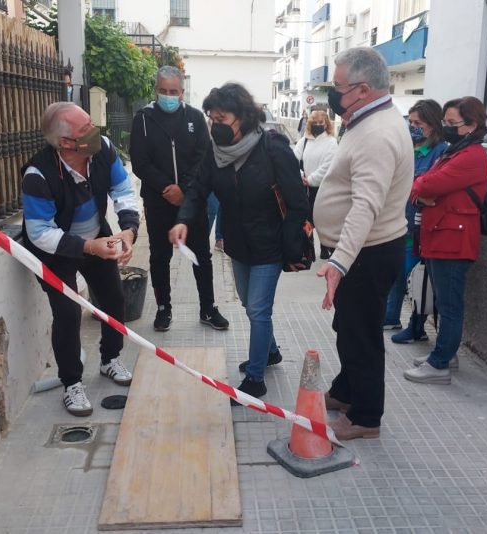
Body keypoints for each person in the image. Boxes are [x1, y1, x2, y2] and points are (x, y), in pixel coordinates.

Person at [169, 83, 308, 402]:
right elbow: (197, 188)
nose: (214, 124)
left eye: (221, 118)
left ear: (243, 117)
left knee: (259, 310)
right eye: (211, 117)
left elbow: (297, 201)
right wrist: (182, 220)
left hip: (269, 244)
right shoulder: (214, 153)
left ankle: (256, 378)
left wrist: (289, 244)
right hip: (237, 242)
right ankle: (269, 352)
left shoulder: (273, 147)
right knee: (249, 304)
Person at [312, 47, 413, 440]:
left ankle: (365, 417)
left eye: (338, 87)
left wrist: (339, 263)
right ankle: (345, 392)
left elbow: (365, 205)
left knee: (362, 334)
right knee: (348, 326)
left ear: (363, 89)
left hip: (367, 253)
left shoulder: (378, 133)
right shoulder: (367, 120)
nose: (333, 95)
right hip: (364, 249)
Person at [21, 102, 140, 417]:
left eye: (91, 123)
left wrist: (128, 231)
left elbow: (123, 190)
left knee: (114, 299)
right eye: (85, 129)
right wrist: (90, 247)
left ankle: (110, 359)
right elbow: (39, 233)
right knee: (68, 312)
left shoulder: (104, 151)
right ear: (65, 143)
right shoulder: (38, 174)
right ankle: (71, 383)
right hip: (56, 251)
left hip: (96, 237)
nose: (94, 132)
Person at [130, 66, 229, 332]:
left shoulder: (196, 118)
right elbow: (140, 161)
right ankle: (164, 308)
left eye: (173, 91)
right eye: (163, 91)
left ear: (182, 92)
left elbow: (203, 157)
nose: (168, 96)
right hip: (157, 199)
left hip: (191, 200)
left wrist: (184, 190)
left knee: (200, 255)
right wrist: (166, 188)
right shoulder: (143, 119)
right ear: (156, 90)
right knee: (159, 256)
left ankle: (208, 308)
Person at [404, 96, 487, 385]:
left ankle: (439, 364)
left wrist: (422, 190)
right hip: (442, 236)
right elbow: (422, 182)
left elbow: (426, 183)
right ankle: (445, 354)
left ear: (472, 125)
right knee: (443, 302)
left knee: (450, 305)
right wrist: (421, 190)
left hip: (452, 241)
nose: (447, 128)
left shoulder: (471, 156)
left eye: (452, 123)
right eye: (446, 123)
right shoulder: (456, 150)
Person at [387, 100, 449, 341]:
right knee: (398, 273)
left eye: (418, 123)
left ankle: (417, 326)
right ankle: (391, 316)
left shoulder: (440, 152)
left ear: (433, 125)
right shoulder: (410, 150)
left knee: (417, 277)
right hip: (401, 222)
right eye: (410, 122)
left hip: (422, 226)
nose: (412, 127)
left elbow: (429, 188)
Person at [293, 109, 337, 260]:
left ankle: (325, 246)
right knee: (307, 220)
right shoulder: (303, 141)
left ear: (326, 124)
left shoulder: (331, 142)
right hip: (305, 188)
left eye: (321, 122)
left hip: (323, 187)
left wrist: (311, 179)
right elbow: (293, 160)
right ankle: (308, 249)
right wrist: (301, 177)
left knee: (323, 219)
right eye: (315, 122)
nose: (318, 125)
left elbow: (328, 165)